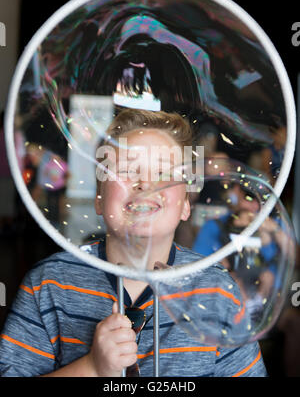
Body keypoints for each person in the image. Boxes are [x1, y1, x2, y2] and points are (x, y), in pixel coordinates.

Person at [0, 109, 267, 377]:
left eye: (164, 172)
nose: (146, 184)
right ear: (99, 200)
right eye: (127, 170)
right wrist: (92, 367)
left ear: (186, 205)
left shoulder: (218, 291)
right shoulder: (48, 284)